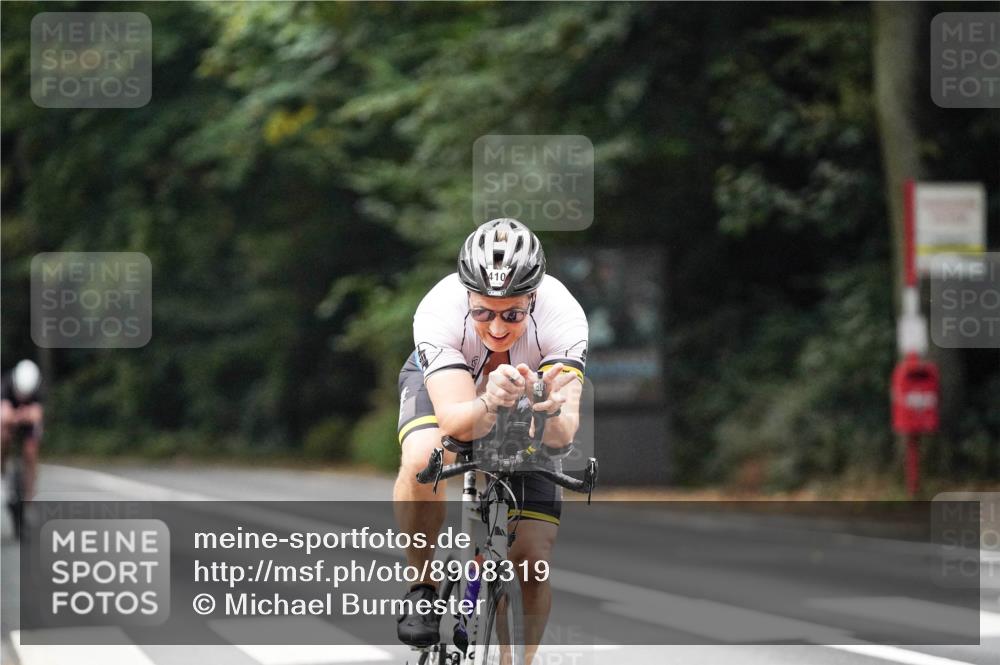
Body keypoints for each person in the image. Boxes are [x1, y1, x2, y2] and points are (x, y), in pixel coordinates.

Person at [394, 218, 588, 663]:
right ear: (467, 298)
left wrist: (550, 410)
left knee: (532, 558)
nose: (497, 328)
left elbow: (562, 436)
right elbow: (457, 425)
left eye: (513, 314)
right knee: (426, 454)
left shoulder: (564, 317)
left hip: (527, 395)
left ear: (533, 299)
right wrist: (487, 405)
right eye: (483, 312)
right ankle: (422, 588)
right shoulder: (439, 309)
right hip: (455, 387)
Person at [1, 359, 44, 500]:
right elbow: (5, 415)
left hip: (27, 423)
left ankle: (30, 493)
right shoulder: (6, 384)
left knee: (31, 450)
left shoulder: (39, 388)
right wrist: (23, 415)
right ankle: (2, 470)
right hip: (10, 420)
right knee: (3, 435)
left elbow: (37, 415)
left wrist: (20, 415)